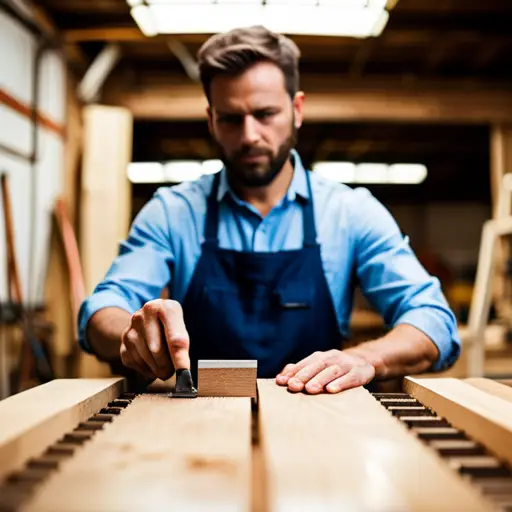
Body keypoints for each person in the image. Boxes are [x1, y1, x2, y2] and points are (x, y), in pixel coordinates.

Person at [78, 25, 460, 395]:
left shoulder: (351, 212)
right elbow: (101, 312)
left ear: (296, 110)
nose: (249, 136)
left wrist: (366, 358)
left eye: (264, 114)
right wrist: (132, 333)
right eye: (230, 119)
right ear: (211, 120)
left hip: (321, 426)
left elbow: (433, 320)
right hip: (196, 429)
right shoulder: (172, 212)